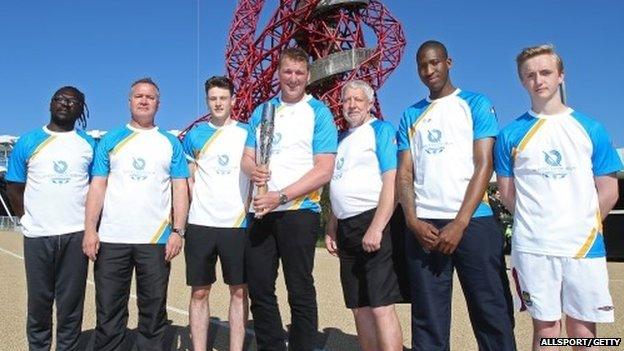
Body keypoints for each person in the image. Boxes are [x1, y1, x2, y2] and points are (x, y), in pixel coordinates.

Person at [495, 44, 621, 349]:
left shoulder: (591, 129)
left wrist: (581, 224)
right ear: (522, 81)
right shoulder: (510, 133)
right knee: (546, 328)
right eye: (530, 75)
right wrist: (538, 224)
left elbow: (609, 191)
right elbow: (507, 193)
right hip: (534, 247)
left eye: (546, 72)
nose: (539, 80)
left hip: (583, 245)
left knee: (582, 329)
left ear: (561, 75)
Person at [396, 40, 516, 351]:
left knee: (491, 311)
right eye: (422, 65)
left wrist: (460, 224)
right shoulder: (411, 115)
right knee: (428, 318)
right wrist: (411, 220)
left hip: (473, 223)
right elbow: (405, 174)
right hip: (426, 227)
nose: (429, 70)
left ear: (449, 62)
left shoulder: (475, 104)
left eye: (435, 62)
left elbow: (484, 164)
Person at [241, 47, 338, 351]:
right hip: (260, 212)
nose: (293, 78)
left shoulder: (318, 113)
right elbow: (246, 156)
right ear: (279, 74)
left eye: (299, 73)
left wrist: (280, 196)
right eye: (287, 72)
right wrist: (252, 169)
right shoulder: (262, 112)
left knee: (299, 289)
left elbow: (324, 169)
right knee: (259, 288)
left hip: (298, 211)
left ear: (308, 76)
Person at [82, 78, 189, 351]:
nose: (144, 100)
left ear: (158, 103)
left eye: (150, 97)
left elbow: (180, 189)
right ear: (129, 101)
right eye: (139, 96)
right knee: (108, 309)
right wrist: (90, 230)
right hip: (112, 238)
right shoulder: (110, 140)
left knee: (153, 311)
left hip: (155, 240)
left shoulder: (170, 143)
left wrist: (178, 231)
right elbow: (97, 186)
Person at [6, 86, 94, 351]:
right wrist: (27, 217)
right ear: (50, 103)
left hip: (76, 234)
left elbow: (96, 187)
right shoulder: (28, 141)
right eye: (60, 99)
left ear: (82, 110)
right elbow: (14, 187)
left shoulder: (88, 145)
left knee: (70, 304)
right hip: (38, 235)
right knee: (39, 303)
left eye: (73, 101)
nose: (65, 104)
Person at [325, 80, 403, 351]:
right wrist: (332, 225)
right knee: (359, 306)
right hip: (346, 226)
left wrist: (378, 227)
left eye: (359, 99)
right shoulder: (340, 139)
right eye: (347, 100)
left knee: (381, 305)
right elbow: (338, 183)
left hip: (373, 220)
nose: (352, 105)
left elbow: (392, 181)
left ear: (370, 104)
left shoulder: (380, 130)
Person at [182, 76, 249, 351]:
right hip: (201, 223)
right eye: (213, 98)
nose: (218, 103)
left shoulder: (248, 132)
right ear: (207, 100)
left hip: (238, 223)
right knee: (199, 292)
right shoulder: (195, 135)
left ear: (233, 100)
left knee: (240, 291)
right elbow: (190, 181)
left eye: (223, 98)